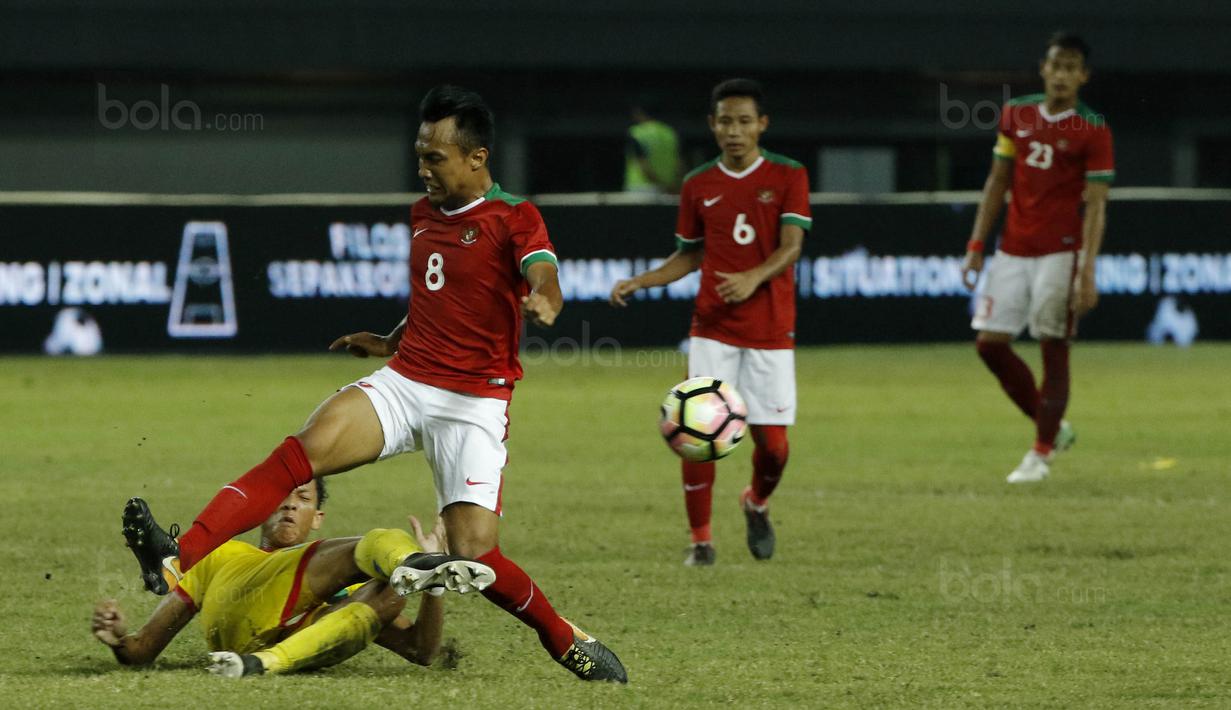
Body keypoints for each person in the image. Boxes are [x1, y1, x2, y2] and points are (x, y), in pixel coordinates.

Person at [122, 85, 627, 683]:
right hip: (407, 380)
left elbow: (540, 268)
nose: (423, 168)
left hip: (474, 402)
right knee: (301, 454)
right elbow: (437, 297)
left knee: (474, 553)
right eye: (420, 154)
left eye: (435, 157)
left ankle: (564, 637)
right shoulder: (423, 213)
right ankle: (178, 555)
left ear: (476, 157)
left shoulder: (514, 216)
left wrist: (546, 294)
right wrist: (390, 342)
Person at [610, 78, 812, 566]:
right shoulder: (699, 183)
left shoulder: (788, 175)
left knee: (775, 447)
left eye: (744, 121)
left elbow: (791, 246)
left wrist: (752, 278)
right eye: (725, 121)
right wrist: (645, 280)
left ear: (761, 125)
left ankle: (756, 502)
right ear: (712, 125)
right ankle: (701, 541)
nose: (734, 131)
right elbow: (689, 255)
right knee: (695, 435)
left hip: (770, 328)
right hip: (712, 328)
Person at [96, 482, 492, 677]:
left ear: (317, 518)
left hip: (287, 639)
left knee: (390, 593)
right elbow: (142, 650)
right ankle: (414, 559)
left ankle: (261, 664)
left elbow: (420, 651)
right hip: (246, 598)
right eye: (282, 496)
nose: (289, 504)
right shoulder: (222, 555)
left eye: (303, 498)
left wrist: (435, 591)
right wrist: (120, 641)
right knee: (377, 545)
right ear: (258, 508)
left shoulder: (342, 582)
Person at [960, 32, 1113, 483]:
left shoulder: (1093, 129)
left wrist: (1086, 271)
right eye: (1056, 65)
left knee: (1053, 346)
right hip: (1013, 248)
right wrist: (975, 246)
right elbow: (997, 182)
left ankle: (1040, 453)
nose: (1062, 74)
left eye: (1072, 68)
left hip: (1061, 254)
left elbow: (1097, 205)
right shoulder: (1016, 114)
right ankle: (1054, 427)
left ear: (1083, 76)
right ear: (1043, 69)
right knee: (989, 343)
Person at [624, 97, 682, 194]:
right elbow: (680, 164)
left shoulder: (636, 133)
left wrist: (660, 184)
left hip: (640, 190)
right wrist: (674, 186)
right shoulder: (670, 133)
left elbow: (643, 166)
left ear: (639, 112)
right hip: (668, 190)